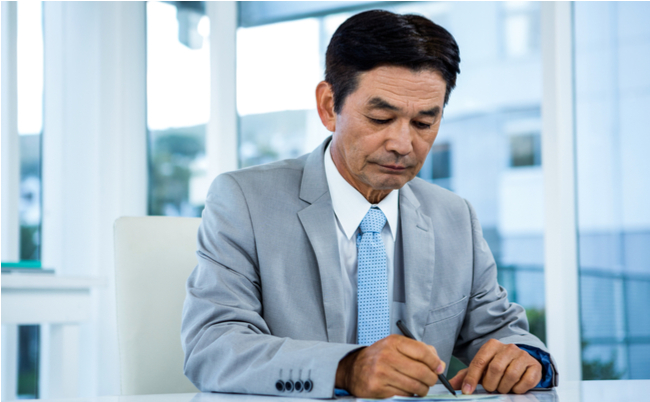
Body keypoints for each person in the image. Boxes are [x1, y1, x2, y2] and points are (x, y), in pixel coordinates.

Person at [181, 10, 557, 398]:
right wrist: (345, 368)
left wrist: (525, 359)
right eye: (380, 118)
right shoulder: (244, 202)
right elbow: (213, 346)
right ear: (329, 106)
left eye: (424, 123)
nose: (403, 144)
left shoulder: (454, 216)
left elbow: (501, 332)